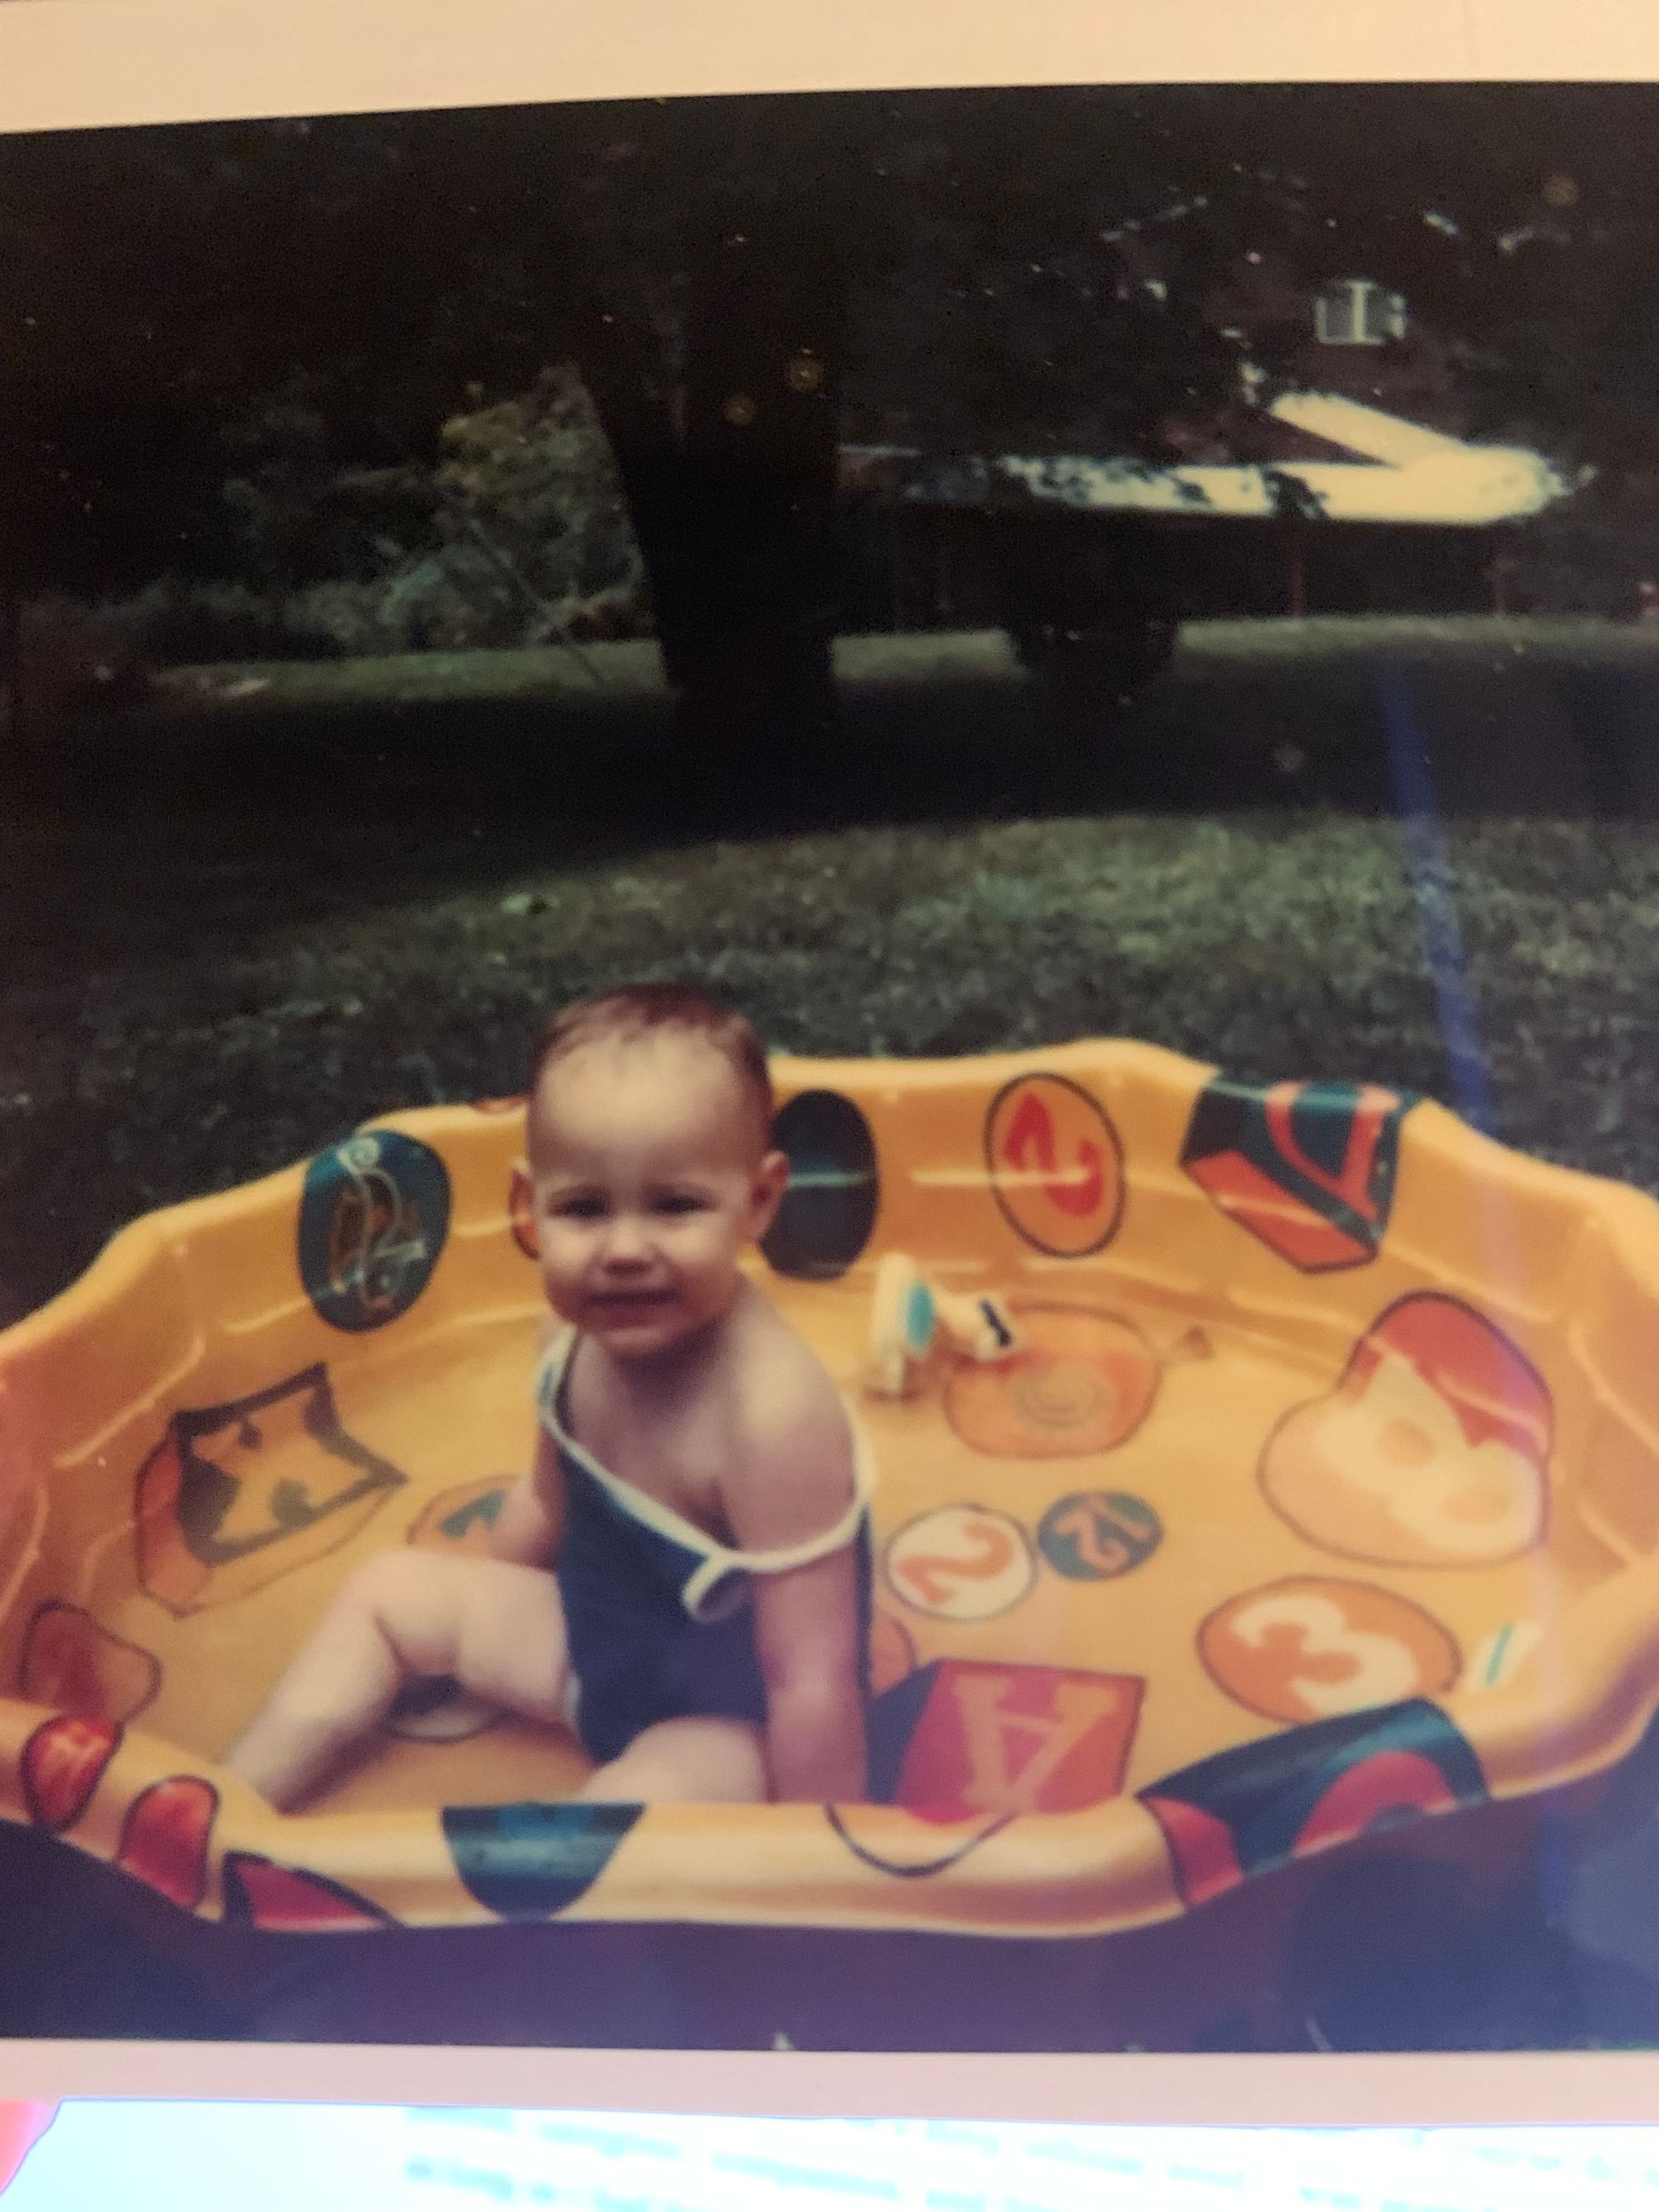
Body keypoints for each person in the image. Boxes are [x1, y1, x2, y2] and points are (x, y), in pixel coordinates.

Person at [227, 986, 873, 1814]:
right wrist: (484, 1647)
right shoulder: (566, 1345)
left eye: (676, 1205)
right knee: (388, 1592)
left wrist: (822, 1878)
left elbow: (812, 1683)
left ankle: (532, 1914)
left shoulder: (769, 1417)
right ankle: (224, 1808)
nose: (624, 1250)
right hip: (595, 1657)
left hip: (722, 1726)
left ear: (757, 1200)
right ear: (530, 1206)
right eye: (583, 1208)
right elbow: (544, 1500)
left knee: (626, 1815)